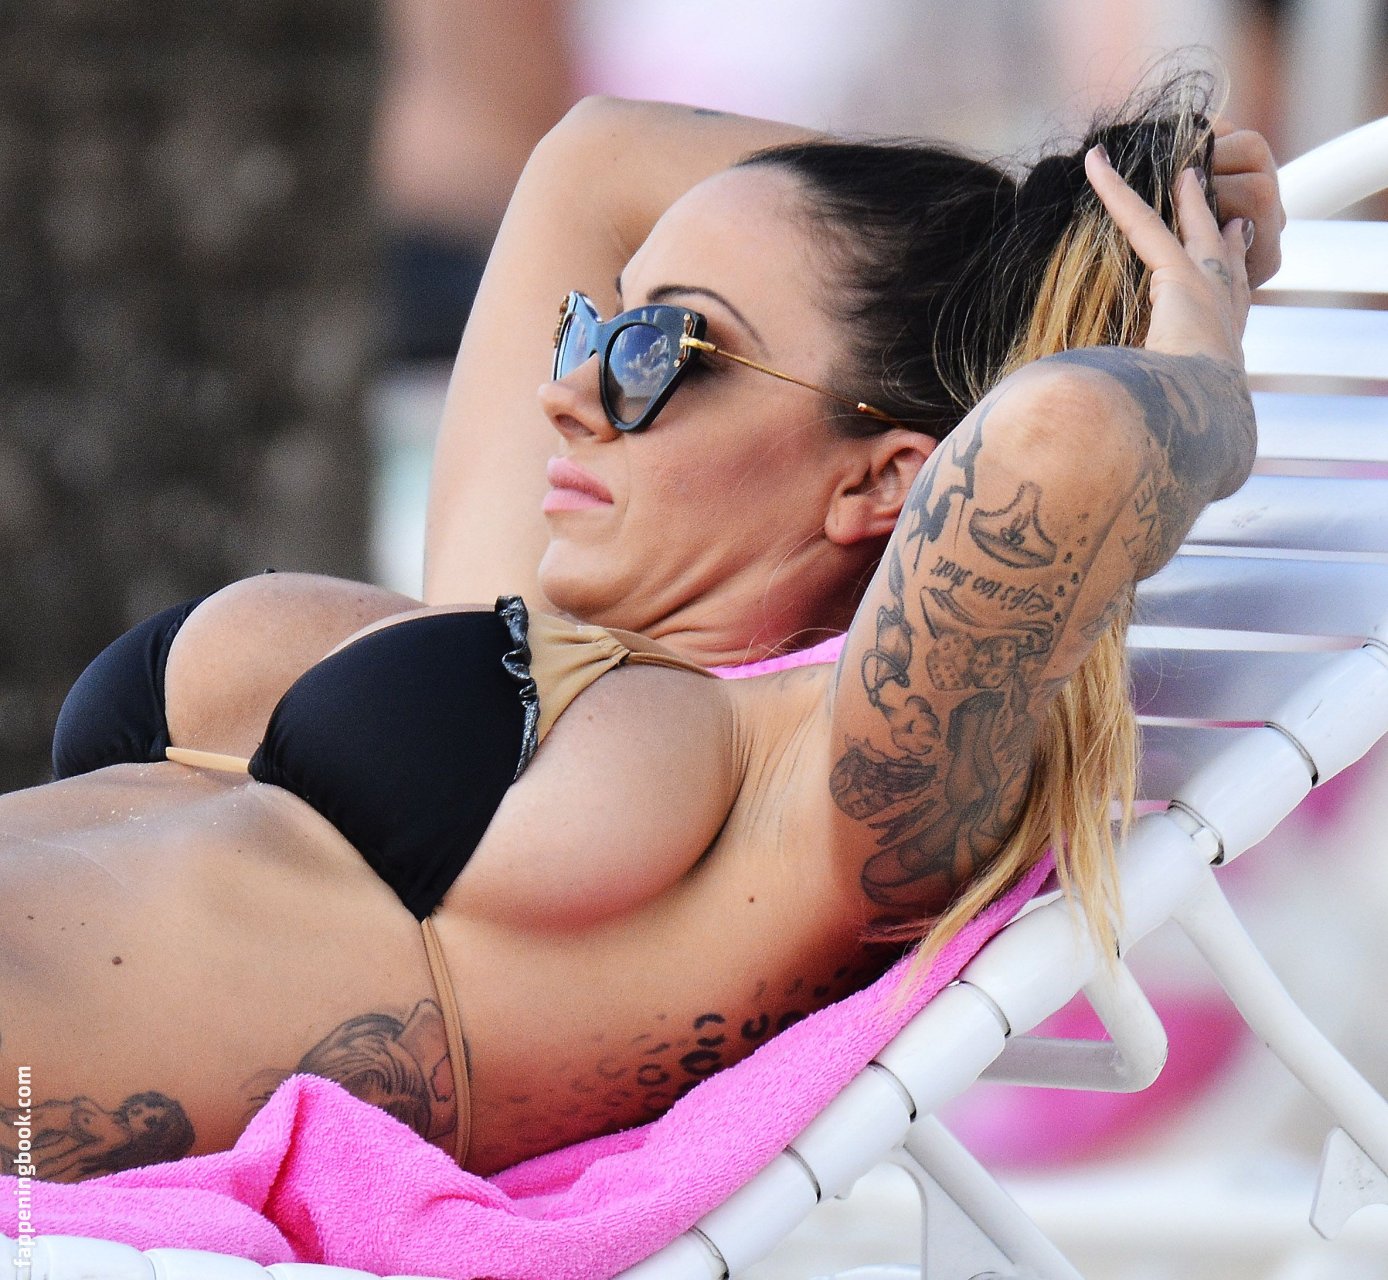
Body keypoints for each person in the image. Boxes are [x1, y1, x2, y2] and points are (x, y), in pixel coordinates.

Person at [0, 72, 1281, 1183]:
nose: (568, 391)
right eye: (594, 325)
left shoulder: (816, 799)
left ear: (882, 479)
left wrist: (1200, 380)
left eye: (661, 346)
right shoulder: (540, 616)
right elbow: (597, 157)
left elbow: (1061, 436)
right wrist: (1047, 231)